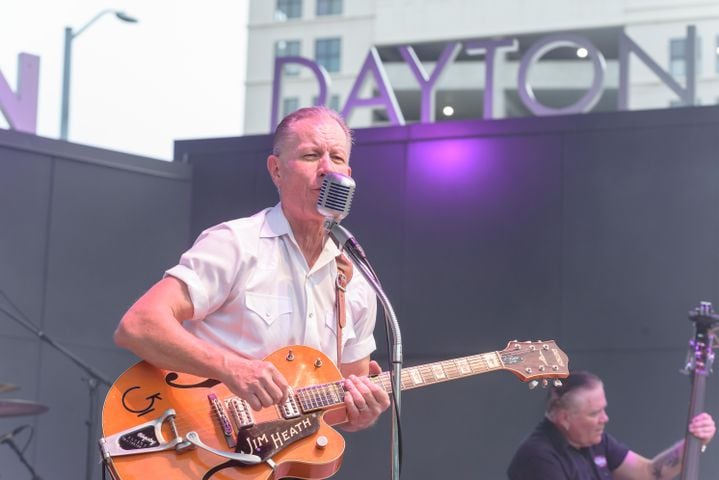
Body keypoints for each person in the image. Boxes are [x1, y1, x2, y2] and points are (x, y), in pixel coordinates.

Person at [114, 106, 390, 433]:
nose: (327, 169)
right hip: (199, 444)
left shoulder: (356, 280)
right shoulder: (237, 244)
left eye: (338, 158)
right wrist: (232, 368)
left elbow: (334, 409)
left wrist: (361, 413)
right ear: (276, 170)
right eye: (311, 155)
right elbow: (138, 325)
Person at [507, 371, 715, 480]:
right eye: (594, 413)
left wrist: (694, 442)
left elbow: (649, 473)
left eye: (603, 409)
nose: (604, 419)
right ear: (564, 419)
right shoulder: (538, 457)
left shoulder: (595, 442)